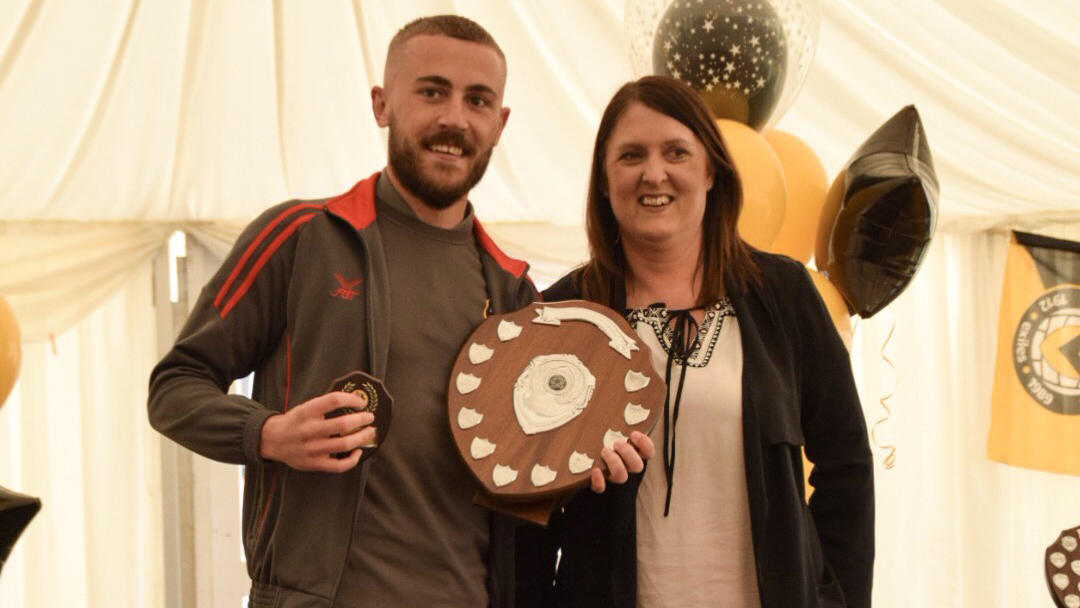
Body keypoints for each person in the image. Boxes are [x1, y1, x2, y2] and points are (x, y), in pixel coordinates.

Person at [148, 15, 649, 607]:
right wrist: (269, 434)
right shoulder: (300, 237)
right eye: (432, 92)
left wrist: (585, 467)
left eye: (478, 100)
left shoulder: (515, 293)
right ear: (382, 104)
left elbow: (518, 486)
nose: (454, 118)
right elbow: (174, 387)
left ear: (500, 123)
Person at [515, 76, 875, 608]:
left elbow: (847, 466)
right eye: (631, 155)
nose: (653, 173)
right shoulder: (561, 315)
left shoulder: (785, 294)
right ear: (604, 181)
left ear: (711, 171)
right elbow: (522, 500)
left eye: (676, 152)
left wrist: (836, 599)